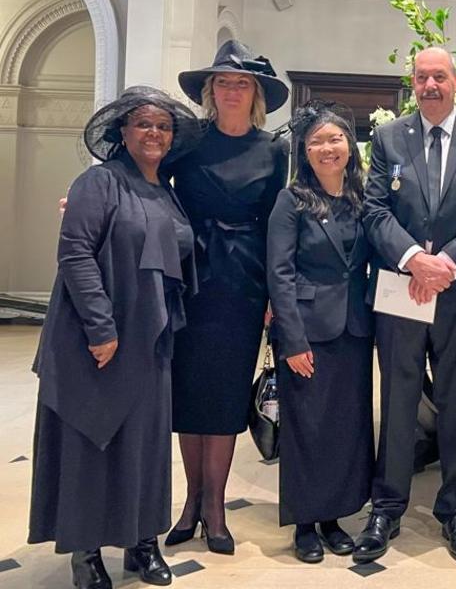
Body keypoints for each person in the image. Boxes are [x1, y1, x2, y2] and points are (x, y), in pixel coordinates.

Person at [29, 87, 200, 589]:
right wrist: (101, 328)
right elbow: (76, 254)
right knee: (92, 441)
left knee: (143, 443)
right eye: (144, 124)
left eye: (163, 127)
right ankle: (85, 553)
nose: (155, 133)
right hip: (97, 341)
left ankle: (141, 543)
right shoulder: (97, 183)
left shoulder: (165, 190)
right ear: (122, 131)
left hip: (151, 339)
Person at [357, 46, 456, 565]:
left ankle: (455, 510)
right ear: (413, 83)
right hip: (403, 289)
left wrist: (445, 262)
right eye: (421, 77)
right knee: (397, 402)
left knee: (455, 405)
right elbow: (375, 208)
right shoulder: (388, 136)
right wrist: (413, 259)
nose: (429, 85)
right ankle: (387, 507)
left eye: (439, 76)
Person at [166, 40, 290, 554]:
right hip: (187, 278)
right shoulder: (187, 142)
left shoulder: (275, 150)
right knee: (187, 395)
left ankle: (214, 507)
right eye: (223, 82)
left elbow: (276, 225)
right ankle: (189, 503)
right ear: (210, 92)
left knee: (222, 397)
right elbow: (146, 183)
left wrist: (272, 295)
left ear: (255, 93)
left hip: (243, 284)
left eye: (242, 83)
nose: (232, 90)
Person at [266, 101, 374, 563]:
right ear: (304, 151)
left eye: (335, 139)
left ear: (349, 145)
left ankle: (334, 516)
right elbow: (279, 273)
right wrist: (291, 341)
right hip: (308, 331)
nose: (327, 148)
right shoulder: (291, 201)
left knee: (345, 427)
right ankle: (305, 524)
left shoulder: (363, 199)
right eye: (317, 141)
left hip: (354, 328)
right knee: (306, 427)